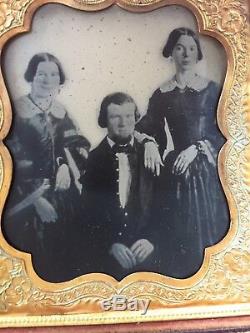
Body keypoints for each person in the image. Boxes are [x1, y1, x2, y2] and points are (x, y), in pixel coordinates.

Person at [137, 27, 229, 278]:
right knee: (178, 234)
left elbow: (224, 132)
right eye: (179, 47)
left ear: (197, 52)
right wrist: (150, 144)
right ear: (171, 53)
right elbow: (147, 127)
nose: (186, 53)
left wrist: (197, 148)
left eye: (191, 48)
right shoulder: (162, 94)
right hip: (176, 172)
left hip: (208, 171)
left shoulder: (212, 90)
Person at [3, 53, 90, 282]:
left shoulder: (60, 112)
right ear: (32, 76)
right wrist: (36, 200)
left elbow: (76, 144)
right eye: (41, 73)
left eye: (53, 74)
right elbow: (12, 159)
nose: (47, 79)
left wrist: (63, 165)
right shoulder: (16, 112)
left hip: (62, 193)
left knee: (69, 251)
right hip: (25, 197)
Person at [81, 92, 158, 280]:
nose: (123, 123)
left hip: (150, 255)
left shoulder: (151, 154)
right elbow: (86, 214)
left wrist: (152, 240)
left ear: (135, 118)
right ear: (104, 121)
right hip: (107, 257)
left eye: (129, 116)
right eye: (116, 117)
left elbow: (165, 206)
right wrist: (110, 244)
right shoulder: (92, 159)